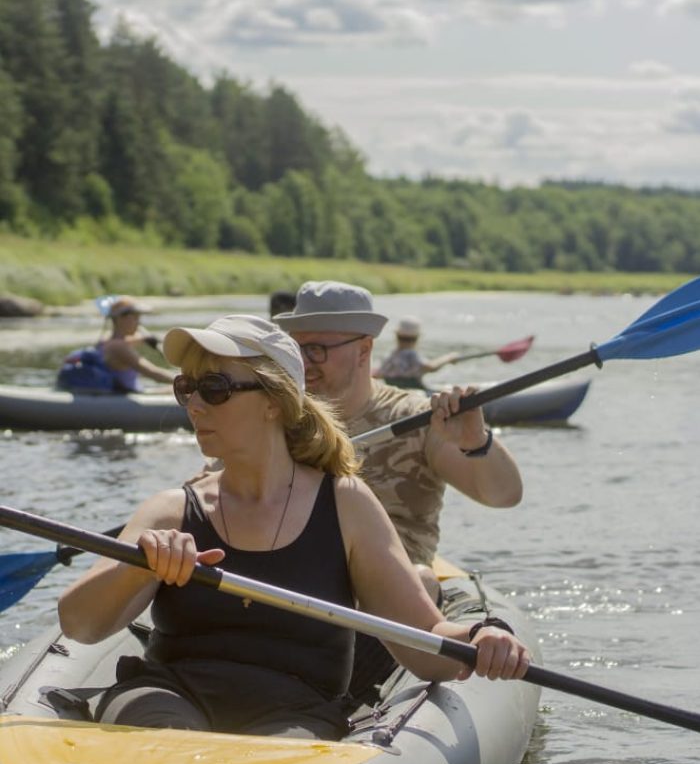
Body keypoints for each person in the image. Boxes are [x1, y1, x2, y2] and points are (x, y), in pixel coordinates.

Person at [57, 315, 530, 740]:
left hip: (294, 713)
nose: (194, 405)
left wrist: (484, 635)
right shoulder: (169, 510)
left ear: (275, 403)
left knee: (279, 760)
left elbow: (425, 641)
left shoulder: (346, 503)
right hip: (169, 695)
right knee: (162, 735)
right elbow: (77, 624)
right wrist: (140, 568)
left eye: (215, 388)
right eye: (187, 388)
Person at [274, 281, 524, 698]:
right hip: (294, 589)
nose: (304, 362)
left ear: (364, 350)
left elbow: (503, 495)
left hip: (389, 604)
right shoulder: (278, 419)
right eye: (296, 349)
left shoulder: (418, 419)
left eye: (317, 349)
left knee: (422, 580)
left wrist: (474, 441)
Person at [56, 295, 175, 393]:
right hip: (128, 394)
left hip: (126, 391)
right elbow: (152, 373)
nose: (139, 322)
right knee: (176, 390)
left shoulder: (106, 340)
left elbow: (128, 340)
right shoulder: (119, 348)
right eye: (135, 317)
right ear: (121, 319)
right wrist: (182, 381)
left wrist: (145, 339)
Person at [375, 316, 461, 389]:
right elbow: (431, 367)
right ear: (417, 339)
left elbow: (378, 374)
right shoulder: (411, 355)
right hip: (414, 392)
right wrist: (449, 358)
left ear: (397, 337)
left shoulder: (390, 356)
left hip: (396, 393)